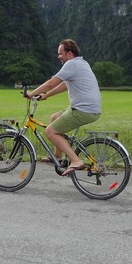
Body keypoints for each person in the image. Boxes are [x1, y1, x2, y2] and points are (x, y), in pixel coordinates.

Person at [26, 39, 101, 176]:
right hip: (90, 109)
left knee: (50, 132)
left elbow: (51, 83)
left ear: (70, 53)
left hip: (83, 110)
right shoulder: (82, 63)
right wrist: (46, 96)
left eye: (61, 53)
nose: (58, 56)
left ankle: (75, 160)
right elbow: (65, 84)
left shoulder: (71, 64)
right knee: (54, 118)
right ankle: (58, 157)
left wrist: (32, 93)